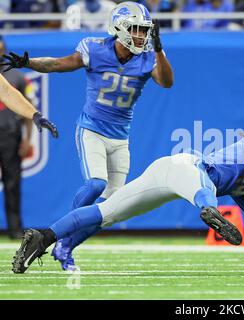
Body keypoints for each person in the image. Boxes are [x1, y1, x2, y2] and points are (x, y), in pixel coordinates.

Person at [11, 127, 244, 274]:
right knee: (204, 193)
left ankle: (44, 236)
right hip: (189, 168)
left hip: (168, 172)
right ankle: (208, 210)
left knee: (105, 213)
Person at [1, 2, 174, 270]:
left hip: (120, 139)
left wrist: (160, 50)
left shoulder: (148, 56)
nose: (141, 35)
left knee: (111, 209)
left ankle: (65, 246)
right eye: (136, 29)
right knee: (95, 184)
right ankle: (57, 235)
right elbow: (59, 64)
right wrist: (30, 62)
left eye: (144, 30)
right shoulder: (96, 48)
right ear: (120, 28)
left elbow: (166, 82)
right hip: (92, 129)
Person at [0, 37, 34, 239]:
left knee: (12, 182)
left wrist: (28, 139)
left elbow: (28, 109)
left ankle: (14, 228)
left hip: (10, 134)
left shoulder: (17, 77)